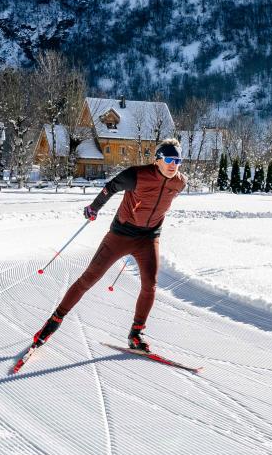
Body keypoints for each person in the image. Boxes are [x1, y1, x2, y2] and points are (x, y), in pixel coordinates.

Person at [29, 139, 187, 353]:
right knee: (89, 279)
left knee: (150, 285)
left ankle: (136, 334)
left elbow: (160, 207)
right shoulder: (136, 175)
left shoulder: (179, 182)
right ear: (157, 160)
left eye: (178, 160)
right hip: (121, 234)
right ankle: (52, 323)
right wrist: (94, 208)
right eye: (169, 159)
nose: (173, 164)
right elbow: (110, 187)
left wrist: (153, 226)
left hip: (148, 238)